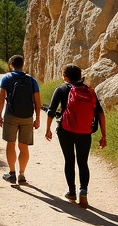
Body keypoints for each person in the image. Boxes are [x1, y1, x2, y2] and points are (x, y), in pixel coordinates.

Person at [44, 63, 107, 208]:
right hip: (85, 131)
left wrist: (48, 129)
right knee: (83, 162)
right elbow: (101, 114)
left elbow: (51, 111)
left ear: (65, 77)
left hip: (65, 131)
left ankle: (72, 192)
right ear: (80, 76)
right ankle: (83, 190)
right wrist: (104, 136)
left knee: (69, 160)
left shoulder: (61, 89)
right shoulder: (89, 91)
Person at [0, 55, 41, 186]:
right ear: (23, 65)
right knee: (24, 146)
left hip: (11, 115)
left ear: (11, 65)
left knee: (11, 143)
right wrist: (37, 118)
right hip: (27, 117)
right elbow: (37, 102)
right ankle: (21, 175)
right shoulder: (32, 80)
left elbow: (1, 98)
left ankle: (11, 173)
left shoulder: (6, 78)